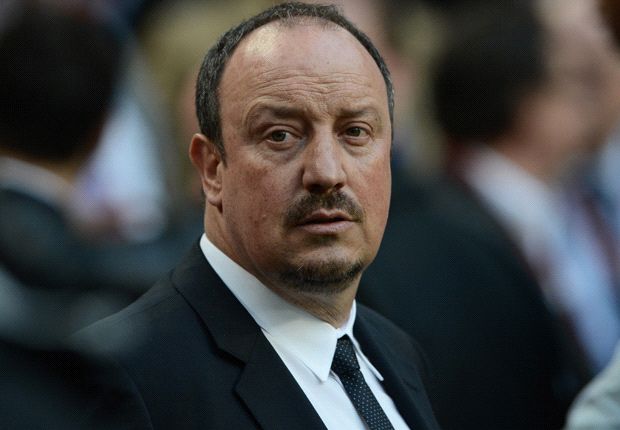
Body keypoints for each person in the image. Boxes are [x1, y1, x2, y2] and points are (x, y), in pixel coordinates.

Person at [77, 3, 440, 429]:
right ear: (211, 168)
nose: (326, 171)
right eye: (281, 135)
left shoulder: (397, 354)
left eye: (355, 132)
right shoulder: (119, 379)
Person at [359, 1, 618, 429]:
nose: (589, 99)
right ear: (525, 102)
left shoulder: (570, 211)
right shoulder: (433, 236)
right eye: (573, 81)